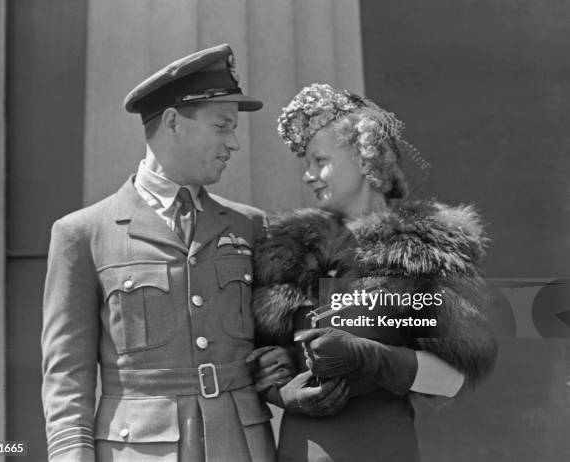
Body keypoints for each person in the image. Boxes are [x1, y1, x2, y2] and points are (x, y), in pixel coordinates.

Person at [41, 44, 288, 462]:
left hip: (241, 447)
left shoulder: (250, 226)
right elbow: (67, 375)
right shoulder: (83, 233)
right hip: (137, 449)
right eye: (222, 126)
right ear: (173, 121)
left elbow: (273, 349)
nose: (234, 143)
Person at [252, 83, 498, 461]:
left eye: (320, 161)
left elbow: (454, 379)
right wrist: (279, 388)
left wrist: (369, 357)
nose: (308, 175)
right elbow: (261, 358)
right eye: (306, 164)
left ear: (364, 157)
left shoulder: (424, 249)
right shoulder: (288, 250)